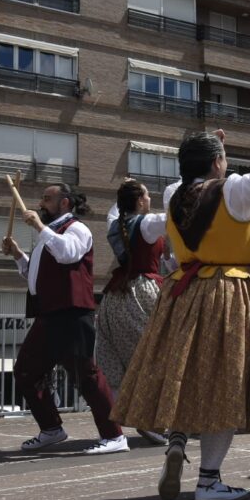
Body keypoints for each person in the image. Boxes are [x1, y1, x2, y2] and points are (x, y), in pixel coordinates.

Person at [111, 97, 250, 500]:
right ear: (217, 163)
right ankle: (209, 480)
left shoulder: (173, 195)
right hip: (229, 291)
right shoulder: (235, 192)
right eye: (222, 159)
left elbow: (206, 185)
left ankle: (178, 439)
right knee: (225, 385)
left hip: (183, 292)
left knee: (188, 374)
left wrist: (213, 150)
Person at [2, 184, 127, 455]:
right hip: (50, 314)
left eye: (47, 199)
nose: (41, 204)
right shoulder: (50, 234)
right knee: (26, 371)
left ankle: (115, 436)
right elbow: (36, 275)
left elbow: (67, 254)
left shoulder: (77, 229)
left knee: (86, 375)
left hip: (71, 313)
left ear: (65, 203)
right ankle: (51, 428)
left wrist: (39, 228)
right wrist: (18, 255)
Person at [96, 179, 168, 445]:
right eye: (146, 195)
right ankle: (150, 420)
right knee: (155, 356)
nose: (149, 199)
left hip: (115, 296)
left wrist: (124, 191)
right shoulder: (147, 224)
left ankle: (130, 415)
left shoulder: (115, 225)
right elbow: (175, 217)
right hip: (143, 293)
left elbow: (112, 212)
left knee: (125, 361)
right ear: (139, 201)